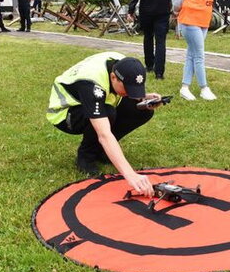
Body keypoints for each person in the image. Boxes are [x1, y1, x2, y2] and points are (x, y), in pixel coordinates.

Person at [46, 52, 164, 197]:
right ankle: (86, 156)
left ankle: (103, 152)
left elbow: (124, 89)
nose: (130, 93)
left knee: (143, 110)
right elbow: (104, 134)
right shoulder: (91, 84)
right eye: (127, 89)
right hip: (66, 113)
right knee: (107, 114)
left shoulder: (123, 65)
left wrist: (144, 97)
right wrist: (131, 174)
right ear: (113, 77)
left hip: (99, 100)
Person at [172, 0, 216, 101]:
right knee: (199, 55)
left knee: (192, 54)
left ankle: (185, 87)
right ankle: (204, 88)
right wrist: (176, 11)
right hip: (190, 20)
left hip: (203, 20)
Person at [128, 0, 177, 80]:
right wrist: (176, 9)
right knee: (161, 42)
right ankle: (159, 73)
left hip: (146, 11)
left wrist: (131, 10)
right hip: (163, 12)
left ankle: (149, 66)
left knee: (148, 37)